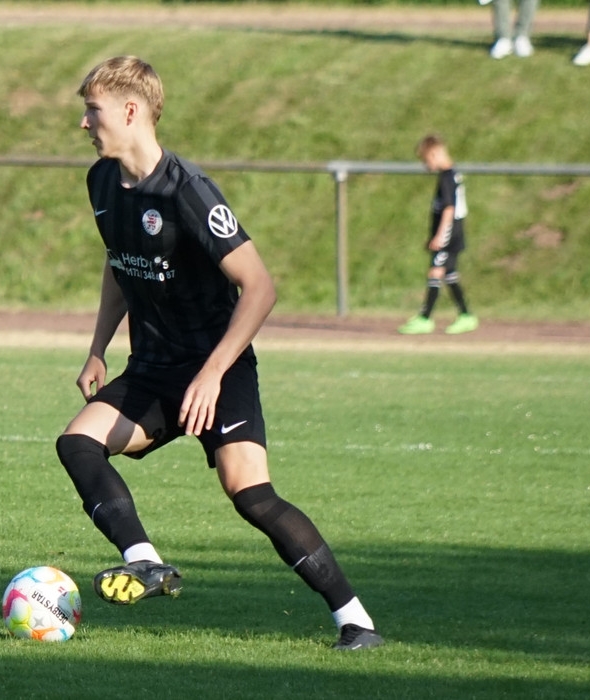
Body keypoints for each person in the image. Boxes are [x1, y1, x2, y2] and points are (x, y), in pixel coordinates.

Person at [55, 56, 382, 651]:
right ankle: (144, 561)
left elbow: (260, 287)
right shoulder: (100, 181)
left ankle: (355, 620)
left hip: (219, 368)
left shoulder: (189, 191)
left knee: (250, 494)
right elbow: (118, 262)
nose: (84, 123)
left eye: (92, 110)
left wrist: (211, 374)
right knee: (77, 443)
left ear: (130, 111)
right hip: (154, 369)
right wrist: (97, 348)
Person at [399, 135, 479, 335]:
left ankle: (425, 318)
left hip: (449, 232)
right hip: (454, 230)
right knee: (449, 273)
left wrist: (440, 235)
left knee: (435, 272)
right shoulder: (452, 174)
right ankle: (466, 315)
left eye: (426, 160)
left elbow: (449, 208)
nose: (426, 165)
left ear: (434, 154)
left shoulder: (446, 177)